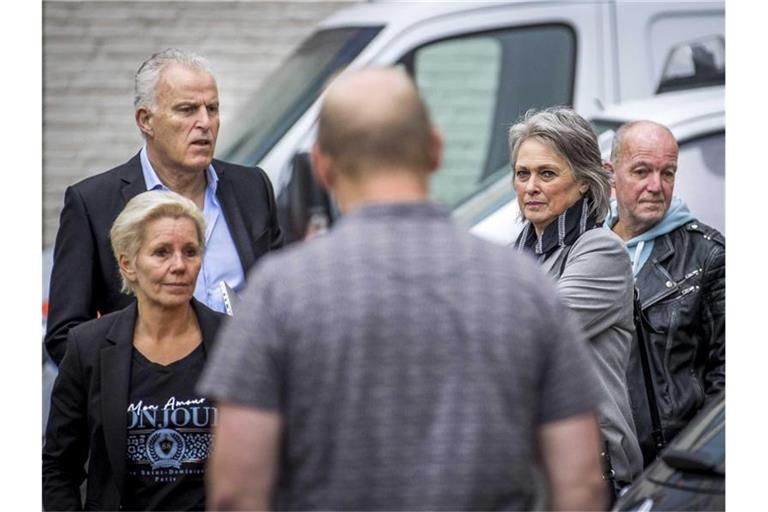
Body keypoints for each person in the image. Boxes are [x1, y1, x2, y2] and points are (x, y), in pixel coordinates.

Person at [197, 68, 608, 511]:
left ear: (321, 165)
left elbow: (236, 491)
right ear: (435, 151)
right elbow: (580, 483)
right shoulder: (526, 288)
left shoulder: (278, 294)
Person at [45, 48, 283, 366]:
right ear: (146, 121)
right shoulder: (93, 203)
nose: (205, 123)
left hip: (242, 395)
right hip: (147, 404)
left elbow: (282, 299)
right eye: (187, 110)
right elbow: (65, 336)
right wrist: (134, 381)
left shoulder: (251, 187)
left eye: (212, 109)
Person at [43, 191, 226, 511]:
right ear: (127, 264)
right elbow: (58, 468)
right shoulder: (88, 347)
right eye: (161, 252)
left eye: (191, 251)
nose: (179, 265)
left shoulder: (233, 339)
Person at [509, 107, 643, 490]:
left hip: (593, 470)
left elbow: (532, 333)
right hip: (534, 467)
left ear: (584, 181)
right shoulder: (517, 253)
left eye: (546, 173)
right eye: (523, 174)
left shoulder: (600, 251)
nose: (531, 186)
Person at [604, 120, 725, 464]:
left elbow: (727, 378)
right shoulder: (586, 248)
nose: (656, 186)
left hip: (669, 467)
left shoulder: (707, 255)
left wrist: (691, 461)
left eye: (667, 173)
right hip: (600, 466)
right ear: (610, 174)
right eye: (641, 171)